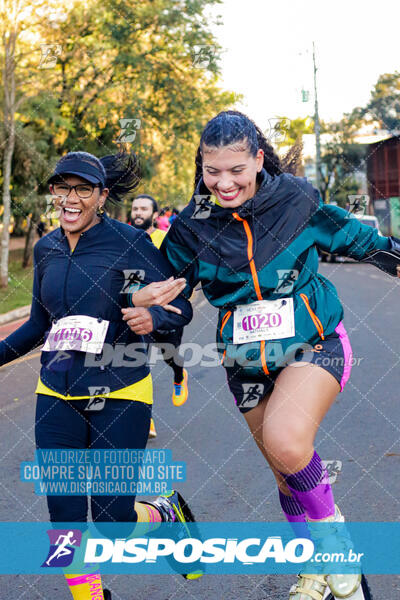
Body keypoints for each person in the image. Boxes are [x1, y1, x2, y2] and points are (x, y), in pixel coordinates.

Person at [125, 111, 400, 600]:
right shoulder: (191, 227)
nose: (224, 183)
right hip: (246, 365)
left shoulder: (296, 200)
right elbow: (174, 300)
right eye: (213, 172)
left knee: (288, 443)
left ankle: (340, 557)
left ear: (258, 159)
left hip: (315, 343)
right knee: (285, 470)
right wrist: (153, 312)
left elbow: (361, 241)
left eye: (236, 170)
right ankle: (313, 571)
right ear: (201, 166)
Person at [0, 150, 199, 600]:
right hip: (55, 391)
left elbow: (178, 306)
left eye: (83, 189)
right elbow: (37, 325)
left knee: (113, 525)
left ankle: (163, 513)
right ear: (53, 192)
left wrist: (156, 320)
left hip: (121, 389)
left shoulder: (130, 243)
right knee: (64, 522)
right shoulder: (45, 248)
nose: (71, 199)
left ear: (102, 195)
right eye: (62, 188)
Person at [129, 194, 189, 439]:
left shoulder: (165, 239)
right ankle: (145, 419)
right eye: (134, 209)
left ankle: (179, 374)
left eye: (143, 209)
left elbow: (182, 273)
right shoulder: (125, 240)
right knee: (137, 361)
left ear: (154, 215)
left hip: (165, 310)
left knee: (169, 353)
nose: (138, 213)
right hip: (136, 309)